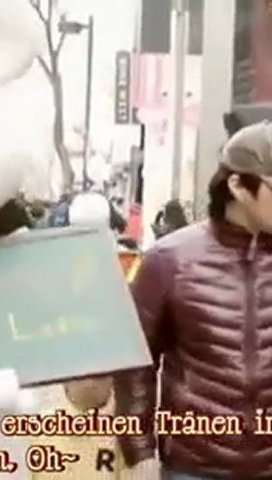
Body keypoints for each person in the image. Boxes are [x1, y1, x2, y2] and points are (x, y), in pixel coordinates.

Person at [115, 121, 272, 479]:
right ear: (238, 185)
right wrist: (139, 451)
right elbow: (135, 363)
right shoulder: (169, 261)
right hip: (195, 467)